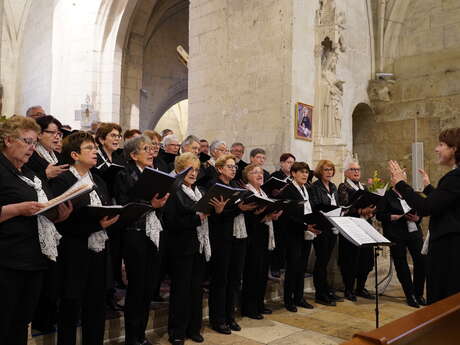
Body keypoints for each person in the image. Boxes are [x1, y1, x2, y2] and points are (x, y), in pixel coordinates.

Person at [0, 115, 72, 345]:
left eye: (34, 142)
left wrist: (59, 214)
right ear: (9, 140)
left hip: (34, 259)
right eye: (27, 141)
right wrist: (16, 209)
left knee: (21, 323)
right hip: (7, 261)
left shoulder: (30, 175)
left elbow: (44, 208)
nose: (32, 148)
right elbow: (16, 209)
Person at [50, 131, 120, 345]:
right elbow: (61, 222)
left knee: (96, 307)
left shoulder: (98, 179)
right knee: (70, 308)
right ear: (74, 155)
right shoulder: (62, 180)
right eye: (89, 148)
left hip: (98, 250)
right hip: (73, 251)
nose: (95, 152)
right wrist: (96, 224)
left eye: (95, 148)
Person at [388, 128, 460, 304]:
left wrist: (401, 184)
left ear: (455, 149)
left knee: (444, 303)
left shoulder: (454, 177)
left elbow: (426, 208)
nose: (436, 149)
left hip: (449, 251)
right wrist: (428, 188)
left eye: (441, 144)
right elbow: (446, 203)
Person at [113, 135, 169, 345]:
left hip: (154, 233)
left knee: (149, 287)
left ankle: (141, 334)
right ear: (134, 155)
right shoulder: (124, 174)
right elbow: (125, 205)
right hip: (135, 235)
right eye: (146, 148)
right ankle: (131, 337)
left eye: (152, 148)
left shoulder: (155, 174)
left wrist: (162, 202)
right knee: (136, 288)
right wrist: (151, 204)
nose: (151, 152)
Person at [163, 153, 211, 345]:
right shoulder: (174, 189)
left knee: (196, 289)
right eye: (190, 169)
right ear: (181, 169)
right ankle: (177, 331)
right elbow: (171, 221)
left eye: (197, 170)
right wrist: (197, 218)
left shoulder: (199, 190)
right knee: (181, 290)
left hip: (198, 245)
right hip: (180, 247)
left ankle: (194, 328)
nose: (194, 173)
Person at [207, 154, 256, 335]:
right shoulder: (214, 185)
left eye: (235, 166)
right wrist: (237, 209)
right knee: (220, 280)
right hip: (222, 239)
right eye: (229, 166)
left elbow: (239, 209)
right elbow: (214, 216)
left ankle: (230, 316)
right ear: (219, 169)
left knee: (235, 279)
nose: (234, 169)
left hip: (239, 237)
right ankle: (218, 319)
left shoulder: (236, 185)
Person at [241, 164, 282, 319]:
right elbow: (244, 218)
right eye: (255, 172)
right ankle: (249, 308)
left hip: (264, 235)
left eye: (261, 172)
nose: (260, 175)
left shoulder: (262, 192)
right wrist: (262, 216)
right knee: (252, 273)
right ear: (247, 176)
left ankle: (259, 304)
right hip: (252, 238)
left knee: (262, 272)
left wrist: (272, 214)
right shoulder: (246, 192)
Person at [376, 185, 426, 308]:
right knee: (401, 264)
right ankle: (410, 295)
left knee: (422, 260)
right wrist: (393, 217)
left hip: (413, 232)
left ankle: (418, 293)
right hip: (396, 234)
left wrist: (417, 218)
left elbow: (421, 209)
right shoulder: (387, 196)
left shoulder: (409, 192)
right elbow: (379, 215)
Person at [278, 162, 317, 312]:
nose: (305, 175)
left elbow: (310, 209)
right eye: (301, 172)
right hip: (292, 234)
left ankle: (299, 297)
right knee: (293, 267)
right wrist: (305, 226)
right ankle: (289, 300)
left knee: (302, 267)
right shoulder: (288, 190)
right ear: (293, 174)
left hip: (306, 232)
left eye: (306, 172)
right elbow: (287, 216)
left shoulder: (307, 188)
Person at [337, 159, 375, 301]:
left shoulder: (364, 187)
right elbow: (344, 207)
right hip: (350, 227)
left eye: (358, 169)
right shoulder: (343, 187)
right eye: (353, 169)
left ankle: (360, 287)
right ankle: (349, 289)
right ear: (346, 172)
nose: (356, 172)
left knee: (366, 259)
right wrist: (360, 210)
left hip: (365, 227)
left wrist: (372, 210)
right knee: (350, 260)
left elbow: (370, 204)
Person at [310, 160, 343, 306]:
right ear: (320, 172)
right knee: (321, 262)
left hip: (332, 227)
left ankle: (327, 290)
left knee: (327, 261)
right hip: (321, 227)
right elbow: (316, 207)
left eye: (331, 169)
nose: (329, 172)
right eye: (326, 170)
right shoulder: (315, 187)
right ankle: (320, 294)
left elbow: (336, 204)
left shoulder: (333, 186)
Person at [269, 153, 296, 278]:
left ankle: (283, 265)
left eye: (292, 163)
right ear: (282, 163)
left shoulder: (294, 178)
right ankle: (275, 267)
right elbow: (270, 193)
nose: (291, 165)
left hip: (290, 213)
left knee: (288, 241)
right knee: (279, 241)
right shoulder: (275, 176)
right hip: (278, 213)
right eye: (288, 162)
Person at [26, 115, 68, 181]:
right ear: (39, 134)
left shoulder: (58, 155)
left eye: (58, 133)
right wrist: (46, 174)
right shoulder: (30, 156)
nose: (57, 137)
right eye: (52, 133)